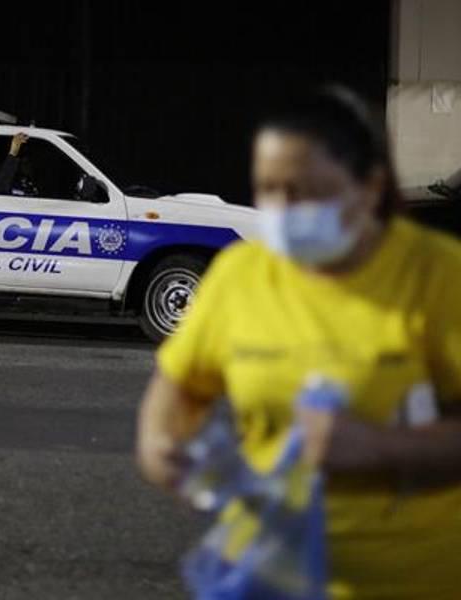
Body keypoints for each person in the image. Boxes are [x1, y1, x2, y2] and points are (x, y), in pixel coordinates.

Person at [137, 86, 461, 599]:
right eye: (269, 189)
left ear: (371, 186)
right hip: (268, 576)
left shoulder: (440, 275)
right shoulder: (239, 277)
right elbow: (175, 391)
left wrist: (380, 448)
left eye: (308, 192)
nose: (285, 209)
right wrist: (167, 452)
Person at [0, 132, 39, 196]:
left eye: (29, 163)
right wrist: (14, 149)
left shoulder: (32, 183)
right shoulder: (8, 182)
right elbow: (4, 180)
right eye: (25, 163)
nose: (29, 166)